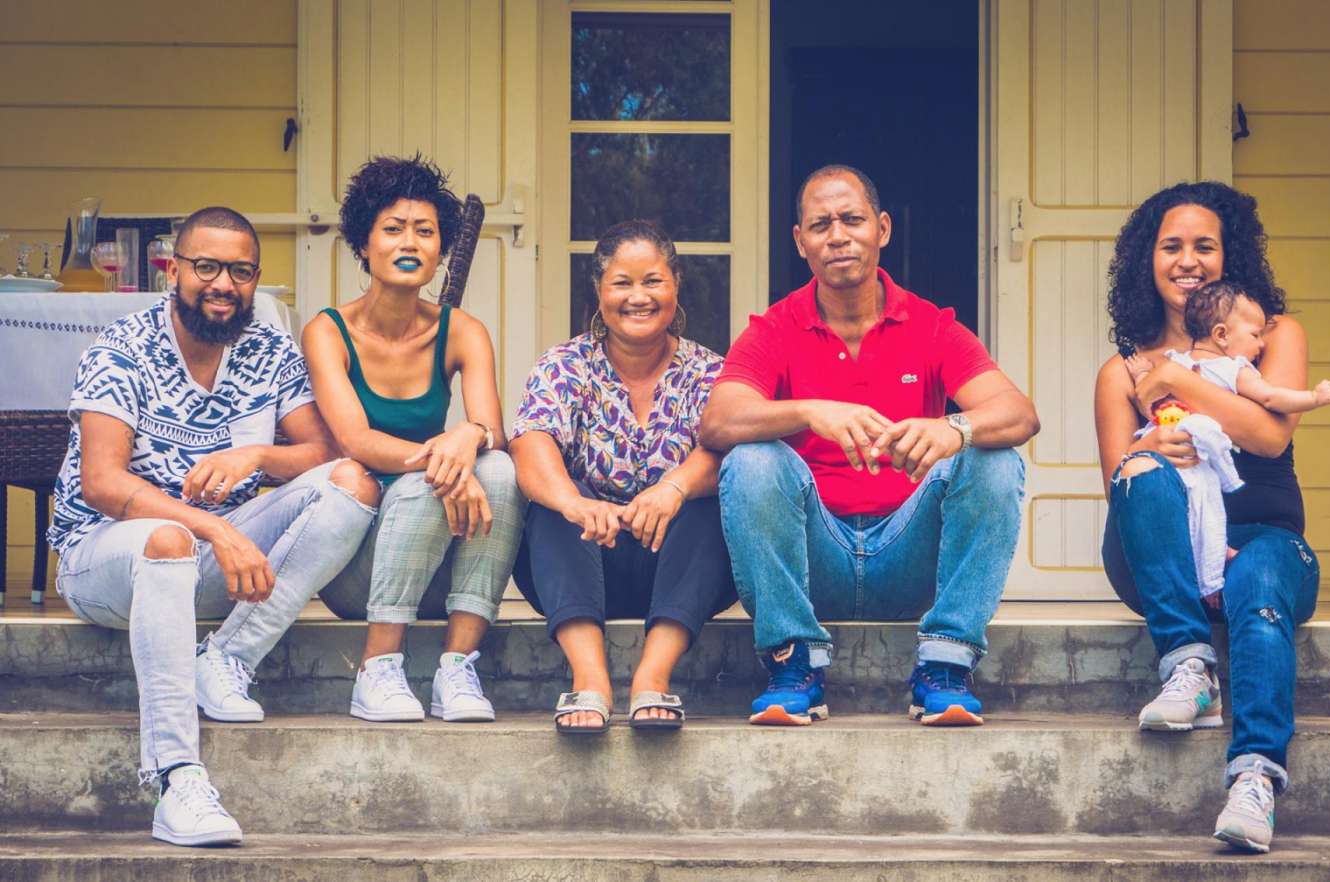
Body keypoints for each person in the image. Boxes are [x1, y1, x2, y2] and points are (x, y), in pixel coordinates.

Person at [48, 206, 380, 846]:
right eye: (206, 267)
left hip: (216, 564)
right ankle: (177, 780)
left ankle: (226, 658)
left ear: (256, 279)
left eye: (240, 270)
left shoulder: (268, 350)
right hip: (103, 558)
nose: (223, 284)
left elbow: (324, 453)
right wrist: (217, 529)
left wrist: (256, 455)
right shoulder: (123, 348)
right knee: (167, 540)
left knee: (351, 485)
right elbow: (103, 483)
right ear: (174, 269)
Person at [699, 165, 1039, 728]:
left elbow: (1019, 413)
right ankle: (793, 663)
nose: (837, 235)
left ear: (881, 229)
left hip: (908, 554)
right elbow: (718, 421)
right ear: (800, 241)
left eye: (852, 220)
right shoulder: (776, 328)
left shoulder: (930, 326)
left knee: (994, 457)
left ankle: (946, 663)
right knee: (752, 459)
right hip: (816, 560)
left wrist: (953, 429)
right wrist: (811, 411)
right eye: (820, 224)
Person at [1093, 181, 1322, 853]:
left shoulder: (1273, 336)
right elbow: (1119, 487)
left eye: (1204, 245)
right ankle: (1189, 665)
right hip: (1169, 559)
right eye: (1171, 246)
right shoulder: (1120, 371)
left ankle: (1254, 780)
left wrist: (1179, 380)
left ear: (1232, 257)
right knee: (1140, 472)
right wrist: (1148, 445)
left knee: (1258, 580)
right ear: (1148, 259)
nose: (1187, 260)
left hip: (1265, 542)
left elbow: (1270, 437)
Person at [310, 156, 523, 723]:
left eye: (425, 231)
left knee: (499, 470)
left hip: (440, 567)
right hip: (360, 572)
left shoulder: (463, 331)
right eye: (394, 228)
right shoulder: (328, 331)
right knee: (435, 481)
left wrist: (468, 437)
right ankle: (378, 666)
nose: (410, 242)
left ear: (439, 250)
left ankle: (458, 666)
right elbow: (355, 439)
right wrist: (447, 458)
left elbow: (492, 432)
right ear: (364, 245)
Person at [510, 219, 736, 734]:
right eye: (622, 283)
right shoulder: (565, 365)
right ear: (599, 291)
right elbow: (530, 443)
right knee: (555, 504)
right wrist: (574, 503)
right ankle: (590, 680)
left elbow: (728, 451)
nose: (639, 297)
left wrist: (673, 488)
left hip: (680, 567)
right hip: (586, 560)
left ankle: (652, 679)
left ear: (675, 283)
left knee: (709, 503)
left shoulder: (710, 371)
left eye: (653, 281)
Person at [1122, 279, 1330, 605]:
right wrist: (1143, 376)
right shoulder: (1184, 362)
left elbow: (1271, 401)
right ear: (1222, 334)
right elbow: (1148, 397)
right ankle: (1208, 565)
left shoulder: (1227, 369)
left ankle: (1212, 567)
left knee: (1207, 500)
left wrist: (1312, 398)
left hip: (1203, 457)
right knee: (1184, 501)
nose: (1262, 345)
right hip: (1176, 453)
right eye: (1255, 336)